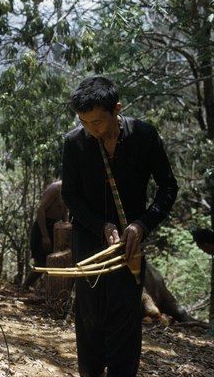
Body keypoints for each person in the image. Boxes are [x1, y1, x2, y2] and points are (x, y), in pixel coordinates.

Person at [61, 76, 178, 376]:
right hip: (88, 241)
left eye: (98, 122)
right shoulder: (74, 143)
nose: (92, 130)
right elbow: (70, 195)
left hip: (130, 245)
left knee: (126, 317)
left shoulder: (144, 136)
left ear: (117, 109)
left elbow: (167, 188)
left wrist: (142, 225)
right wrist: (100, 225)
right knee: (89, 319)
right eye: (84, 122)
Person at [22, 179, 68, 289]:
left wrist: (65, 227)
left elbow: (65, 211)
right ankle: (25, 286)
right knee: (41, 262)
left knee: (56, 261)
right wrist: (45, 236)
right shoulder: (55, 189)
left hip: (56, 228)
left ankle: (51, 292)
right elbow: (41, 210)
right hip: (44, 227)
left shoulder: (68, 190)